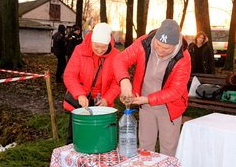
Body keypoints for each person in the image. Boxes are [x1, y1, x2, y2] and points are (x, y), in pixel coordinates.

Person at [113, 19, 191, 157]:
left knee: (168, 148)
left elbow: (176, 90)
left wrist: (147, 99)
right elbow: (120, 60)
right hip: (146, 106)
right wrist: (124, 81)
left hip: (170, 108)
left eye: (166, 48)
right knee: (145, 146)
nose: (160, 50)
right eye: (158, 45)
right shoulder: (145, 42)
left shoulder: (183, 57)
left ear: (175, 45)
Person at [63, 22, 120, 143]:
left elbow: (117, 82)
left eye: (103, 47)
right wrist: (79, 94)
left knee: (99, 138)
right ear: (91, 41)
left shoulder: (116, 55)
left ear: (109, 43)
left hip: (101, 102)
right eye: (96, 46)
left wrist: (107, 99)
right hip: (80, 101)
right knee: (75, 137)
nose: (99, 50)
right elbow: (69, 75)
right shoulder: (80, 50)